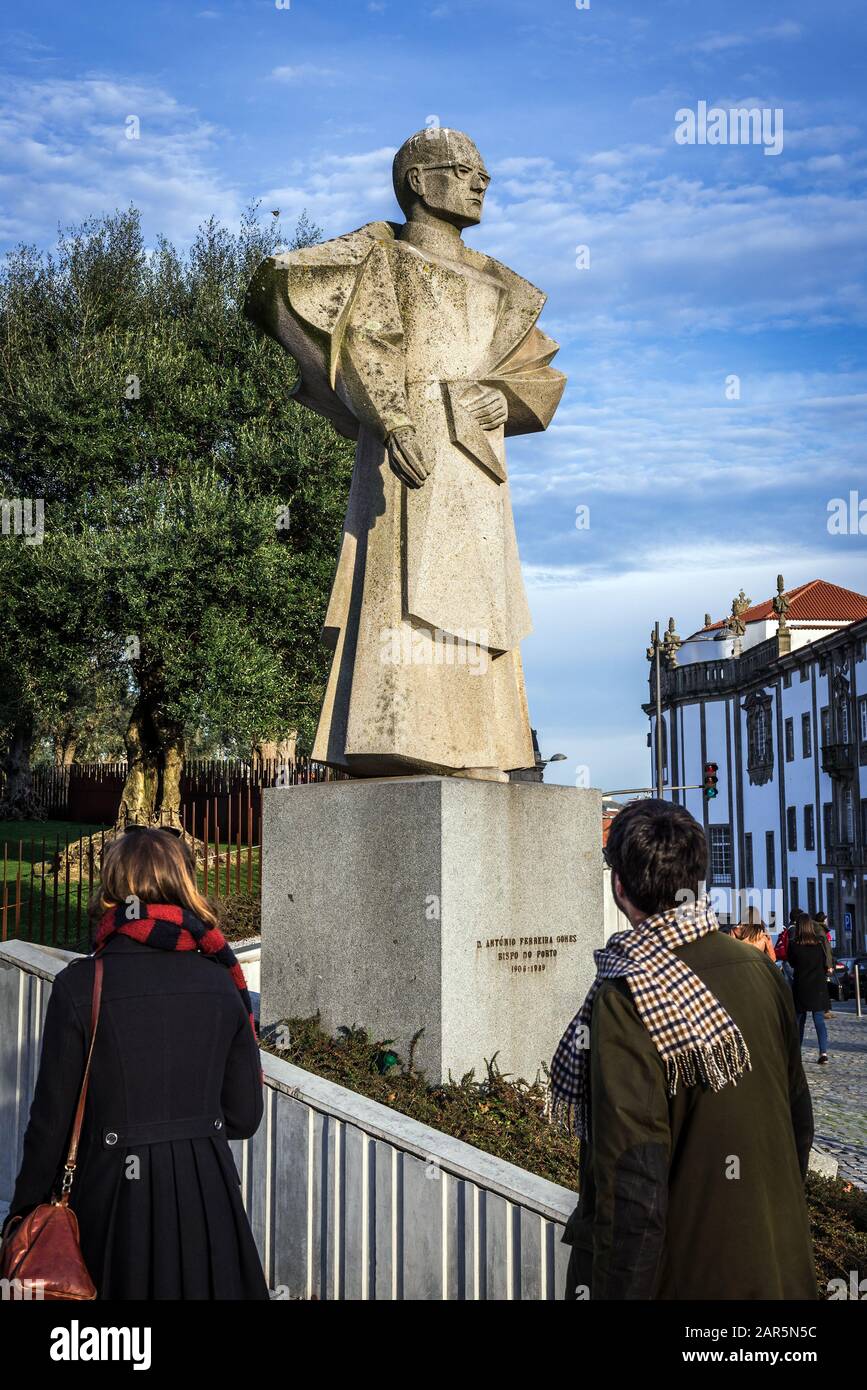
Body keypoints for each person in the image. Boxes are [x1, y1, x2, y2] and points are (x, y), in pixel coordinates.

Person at [553, 798, 816, 1300]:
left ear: (619, 887)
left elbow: (634, 1184)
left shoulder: (627, 994)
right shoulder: (759, 969)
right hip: (781, 1271)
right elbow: (798, 1119)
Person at [2, 827, 269, 1299]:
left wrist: (22, 1214)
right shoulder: (224, 981)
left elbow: (50, 1124)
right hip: (208, 1200)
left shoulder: (80, 984)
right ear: (185, 885)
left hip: (113, 1197)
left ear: (111, 889)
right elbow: (245, 1116)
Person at [788, 912, 832, 1065]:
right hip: (818, 986)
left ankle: (797, 1053)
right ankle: (823, 1052)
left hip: (801, 985)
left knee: (800, 1021)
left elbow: (792, 963)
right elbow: (824, 962)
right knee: (819, 1020)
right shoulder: (819, 942)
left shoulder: (794, 945)